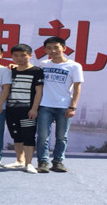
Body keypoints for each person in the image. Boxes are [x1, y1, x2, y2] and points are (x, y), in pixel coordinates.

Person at [36, 36, 84, 173]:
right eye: (49, 48)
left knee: (62, 136)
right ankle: (43, 162)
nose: (53, 50)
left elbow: (77, 87)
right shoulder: (43, 64)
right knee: (43, 136)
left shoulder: (74, 66)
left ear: (64, 48)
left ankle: (58, 162)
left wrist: (73, 106)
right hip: (45, 105)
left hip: (64, 106)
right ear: (45, 50)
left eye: (56, 47)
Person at [4, 44, 44, 174]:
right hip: (11, 109)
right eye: (15, 56)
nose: (19, 58)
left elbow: (39, 92)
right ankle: (19, 161)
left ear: (30, 56)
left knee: (28, 136)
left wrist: (34, 109)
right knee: (17, 136)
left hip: (27, 110)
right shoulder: (10, 71)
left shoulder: (36, 71)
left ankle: (29, 163)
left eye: (23, 55)